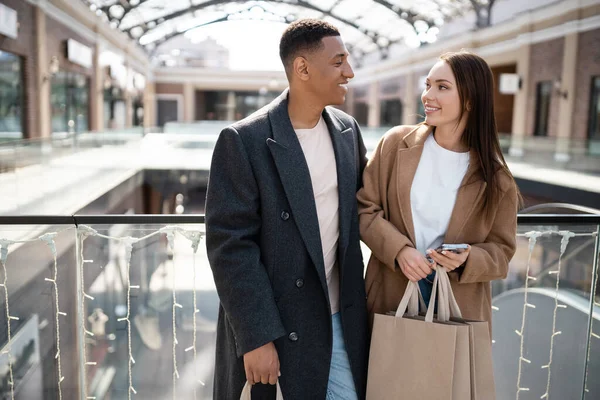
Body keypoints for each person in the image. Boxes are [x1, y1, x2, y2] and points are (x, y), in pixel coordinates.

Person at [205, 19, 369, 400]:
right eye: (339, 61)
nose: (349, 71)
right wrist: (256, 336)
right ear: (303, 68)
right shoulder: (244, 140)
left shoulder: (347, 131)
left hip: (340, 319)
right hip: (277, 325)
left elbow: (371, 207)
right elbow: (230, 246)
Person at [357, 50, 520, 330]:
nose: (428, 96)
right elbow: (364, 209)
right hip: (391, 292)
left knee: (443, 374)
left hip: (458, 304)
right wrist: (399, 251)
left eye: (442, 87)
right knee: (385, 372)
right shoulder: (395, 144)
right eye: (428, 85)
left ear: (470, 99)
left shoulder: (496, 178)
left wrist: (468, 257)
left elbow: (502, 252)